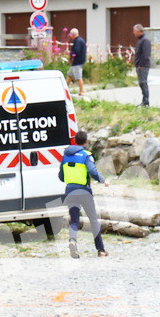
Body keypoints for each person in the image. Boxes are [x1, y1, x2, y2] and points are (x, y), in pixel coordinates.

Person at [58, 129, 108, 258]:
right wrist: (103, 180)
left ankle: (72, 241)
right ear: (86, 141)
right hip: (84, 191)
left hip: (70, 190)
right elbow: (92, 171)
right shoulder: (86, 155)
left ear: (74, 141)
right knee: (93, 219)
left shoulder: (65, 156)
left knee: (74, 220)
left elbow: (61, 177)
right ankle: (101, 250)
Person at [132, 24, 152, 107]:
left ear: (138, 31)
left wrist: (141, 65)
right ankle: (144, 101)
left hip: (143, 66)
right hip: (139, 65)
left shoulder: (145, 41)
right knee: (141, 83)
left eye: (134, 31)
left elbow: (146, 55)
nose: (133, 33)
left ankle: (146, 101)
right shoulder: (141, 40)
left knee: (143, 83)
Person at [67, 28, 86, 98]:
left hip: (77, 62)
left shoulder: (77, 41)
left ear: (73, 34)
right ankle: (65, 88)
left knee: (78, 77)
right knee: (69, 74)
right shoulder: (81, 40)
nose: (70, 36)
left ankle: (81, 91)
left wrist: (71, 56)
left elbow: (76, 52)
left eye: (70, 34)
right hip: (77, 62)